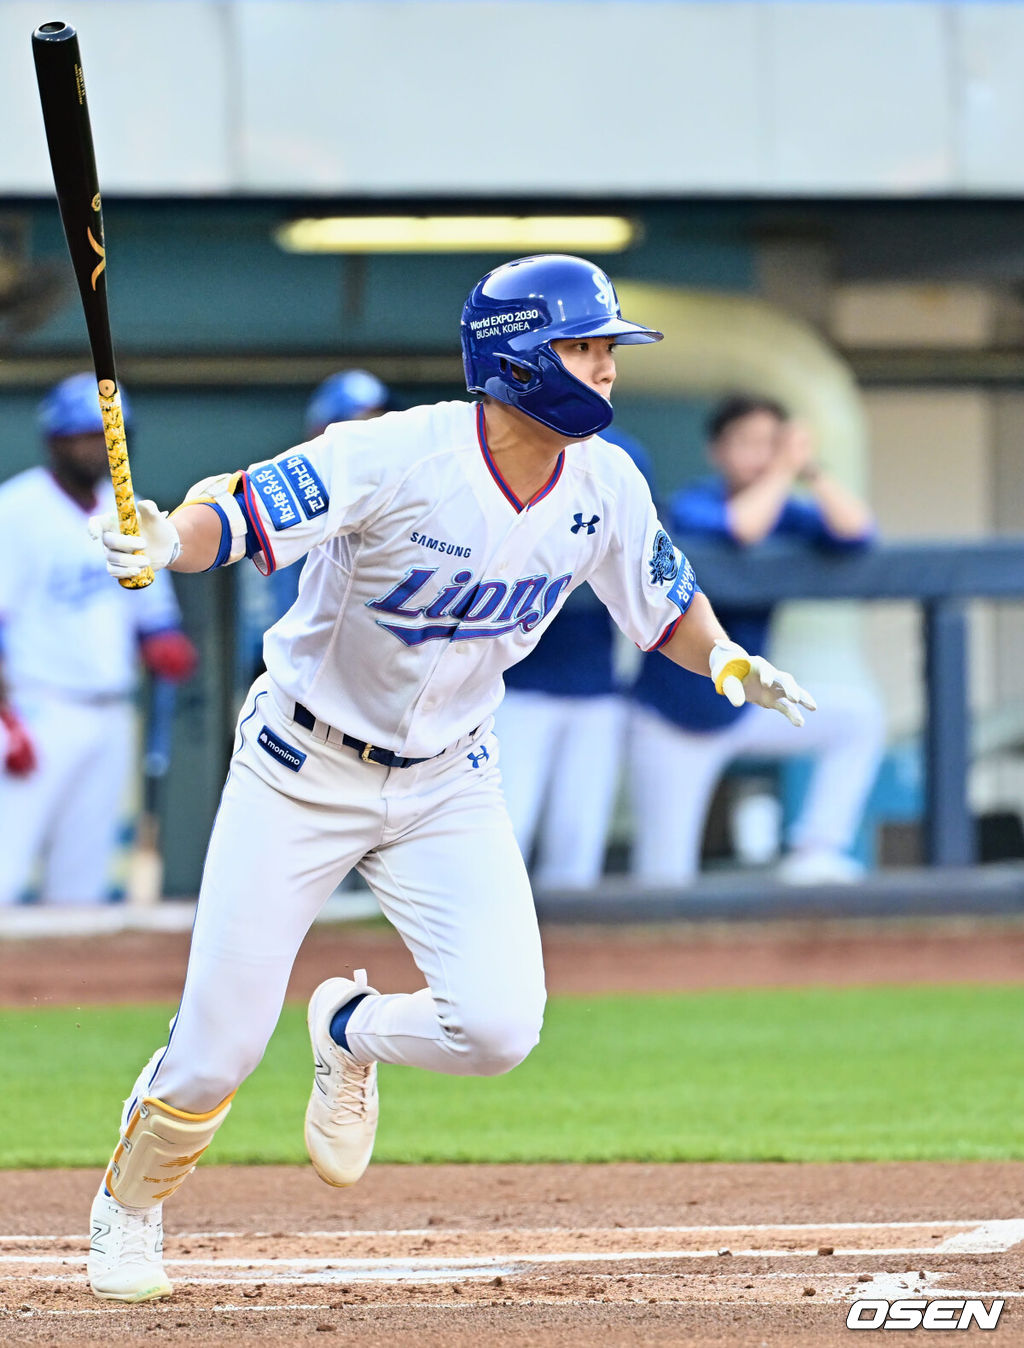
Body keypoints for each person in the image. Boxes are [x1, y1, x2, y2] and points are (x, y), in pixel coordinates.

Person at [85, 255, 816, 1302]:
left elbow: (664, 603)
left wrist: (730, 660)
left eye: (610, 347)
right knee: (213, 1053)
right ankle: (130, 1207)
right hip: (303, 766)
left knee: (500, 1024)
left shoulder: (605, 480)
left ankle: (347, 1028)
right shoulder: (390, 453)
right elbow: (238, 513)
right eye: (585, 346)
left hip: (448, 779)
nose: (606, 368)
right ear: (517, 356)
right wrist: (164, 537)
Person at [628, 393, 884, 886]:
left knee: (857, 719)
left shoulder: (785, 507)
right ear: (716, 450)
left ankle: (816, 850)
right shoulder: (693, 502)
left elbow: (858, 532)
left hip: (742, 704)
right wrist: (784, 470)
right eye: (746, 442)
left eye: (771, 442)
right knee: (663, 880)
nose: (761, 454)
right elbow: (741, 528)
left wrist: (811, 470)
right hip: (673, 717)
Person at [0, 374, 198, 906]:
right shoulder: (15, 509)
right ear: (55, 440)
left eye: (108, 435)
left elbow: (153, 613)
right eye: (84, 435)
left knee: (81, 883)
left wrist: (164, 641)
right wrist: (5, 720)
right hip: (36, 709)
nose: (98, 448)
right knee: (5, 863)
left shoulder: (127, 507)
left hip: (112, 710)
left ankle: (69, 992)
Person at [494, 426, 655, 887]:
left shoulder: (622, 454)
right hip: (512, 686)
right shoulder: (508, 440)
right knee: (503, 835)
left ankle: (574, 961)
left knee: (577, 844)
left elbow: (645, 545)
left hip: (595, 682)